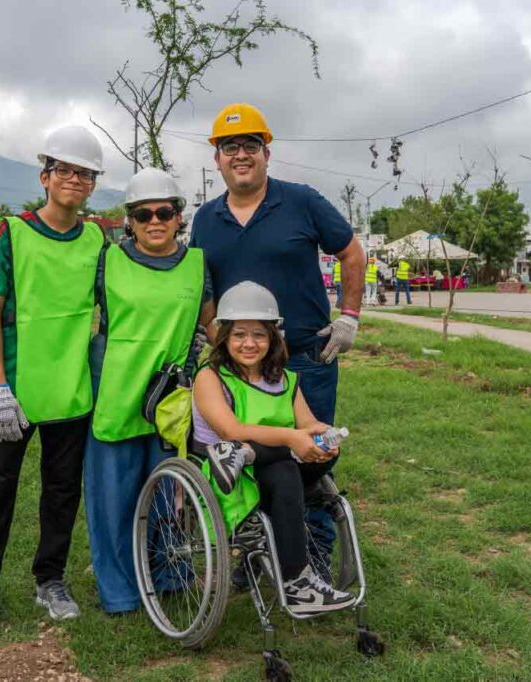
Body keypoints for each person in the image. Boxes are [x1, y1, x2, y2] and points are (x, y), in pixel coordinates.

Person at [189, 102, 365, 572]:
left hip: (305, 358)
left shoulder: (301, 201)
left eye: (250, 146)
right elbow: (203, 286)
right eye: (230, 148)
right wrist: (214, 336)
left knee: (311, 458)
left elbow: (352, 252)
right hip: (241, 363)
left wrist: (348, 316)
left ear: (267, 153)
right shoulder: (206, 220)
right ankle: (259, 548)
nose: (240, 155)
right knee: (254, 458)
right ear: (217, 159)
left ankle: (313, 557)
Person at [0, 126, 106, 638]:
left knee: (62, 492)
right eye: (64, 170)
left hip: (69, 390)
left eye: (84, 173)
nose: (74, 179)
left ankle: (50, 579)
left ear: (92, 185)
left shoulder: (95, 239)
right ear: (46, 176)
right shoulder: (11, 232)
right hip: (15, 389)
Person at [83, 167, 215, 616]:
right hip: (117, 396)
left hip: (171, 402)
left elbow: (212, 325)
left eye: (165, 211)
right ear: (130, 220)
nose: (154, 221)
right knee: (114, 500)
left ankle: (169, 576)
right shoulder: (108, 262)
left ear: (180, 216)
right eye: (143, 214)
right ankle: (120, 591)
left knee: (169, 498)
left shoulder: (198, 265)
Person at [193, 281, 353, 614]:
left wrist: (323, 436)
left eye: (259, 335)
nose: (249, 343)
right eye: (239, 335)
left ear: (273, 339)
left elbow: (306, 424)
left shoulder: (283, 378)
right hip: (228, 479)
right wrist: (291, 439)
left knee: (321, 456)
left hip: (266, 469)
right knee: (284, 467)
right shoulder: (211, 377)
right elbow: (231, 429)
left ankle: (247, 453)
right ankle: (297, 582)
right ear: (224, 337)